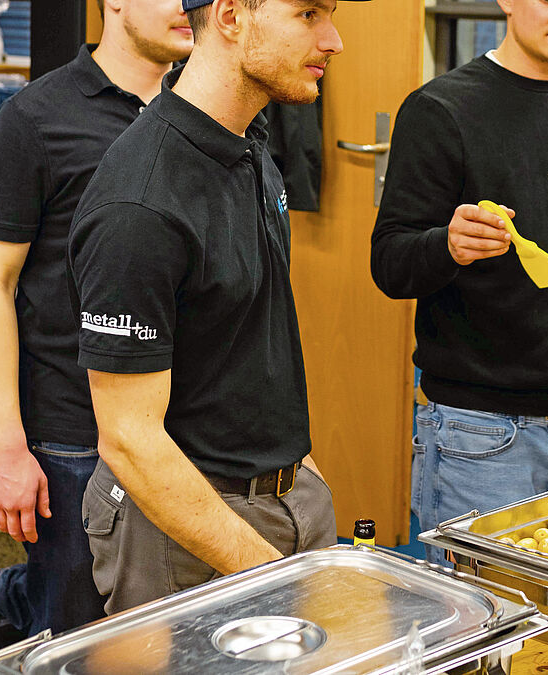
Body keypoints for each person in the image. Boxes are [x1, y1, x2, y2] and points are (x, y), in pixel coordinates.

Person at [65, 0, 358, 614]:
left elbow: (248, 336)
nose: (333, 40)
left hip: (286, 498)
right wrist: (266, 575)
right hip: (182, 528)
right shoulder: (139, 206)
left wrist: (300, 475)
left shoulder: (249, 140)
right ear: (230, 16)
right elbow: (129, 442)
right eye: (308, 14)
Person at [371, 0, 548, 562]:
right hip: (480, 437)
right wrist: (446, 245)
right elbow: (390, 262)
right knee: (474, 634)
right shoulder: (440, 109)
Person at [0, 0, 193, 655]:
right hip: (74, 432)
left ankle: (17, 595)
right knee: (81, 629)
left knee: (166, 624)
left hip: (181, 427)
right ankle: (15, 599)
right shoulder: (36, 118)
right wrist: (6, 448)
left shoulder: (204, 109)